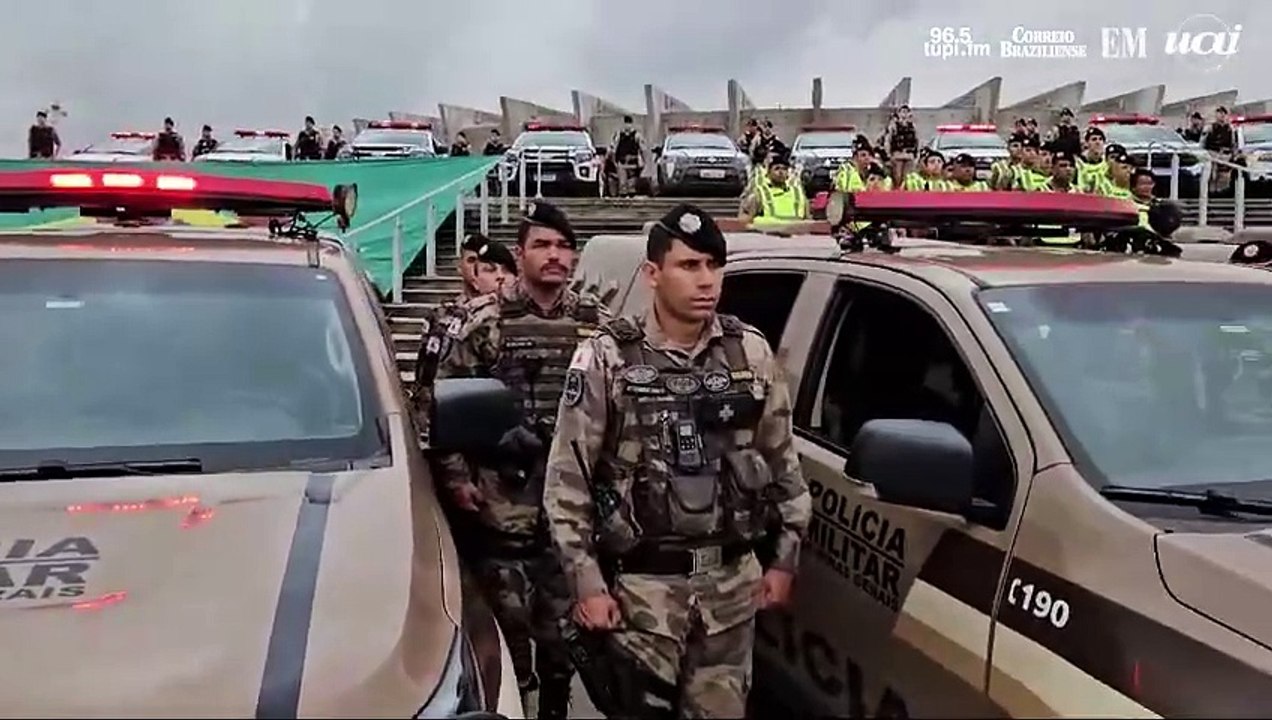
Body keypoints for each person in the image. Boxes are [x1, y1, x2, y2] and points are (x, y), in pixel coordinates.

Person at [544, 203, 811, 719]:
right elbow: (567, 483)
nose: (706, 280)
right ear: (652, 274)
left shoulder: (749, 353)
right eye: (690, 266)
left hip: (731, 594)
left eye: (714, 266)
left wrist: (784, 558)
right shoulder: (606, 359)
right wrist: (588, 585)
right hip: (642, 600)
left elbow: (783, 467)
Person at [434, 201, 609, 719]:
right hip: (498, 506)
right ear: (521, 253)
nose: (554, 256)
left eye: (563, 247)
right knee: (506, 635)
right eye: (542, 245)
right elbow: (442, 403)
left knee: (563, 636)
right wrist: (457, 479)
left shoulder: (595, 325)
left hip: (567, 515)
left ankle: (554, 705)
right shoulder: (482, 323)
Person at [409, 233, 512, 438]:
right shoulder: (441, 315)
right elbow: (425, 369)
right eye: (471, 261)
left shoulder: (500, 318)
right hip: (440, 413)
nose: (476, 270)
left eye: (486, 265)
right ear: (461, 267)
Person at [737, 149, 808, 222]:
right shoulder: (760, 193)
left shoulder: (797, 193)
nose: (781, 172)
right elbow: (745, 219)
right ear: (768, 173)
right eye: (777, 169)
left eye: (784, 169)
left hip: (796, 231)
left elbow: (807, 218)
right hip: (767, 232)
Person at [611, 115, 645, 197]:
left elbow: (642, 149)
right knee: (622, 186)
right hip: (622, 163)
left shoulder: (637, 135)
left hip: (633, 163)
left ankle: (631, 204)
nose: (627, 125)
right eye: (626, 123)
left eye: (629, 123)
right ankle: (623, 205)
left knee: (631, 187)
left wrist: (643, 161)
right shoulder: (619, 135)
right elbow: (613, 149)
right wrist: (614, 161)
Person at [1076, 127, 1108, 193]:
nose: (1098, 142)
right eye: (1094, 139)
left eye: (1100, 139)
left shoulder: (1107, 163)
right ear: (1086, 143)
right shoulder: (1078, 164)